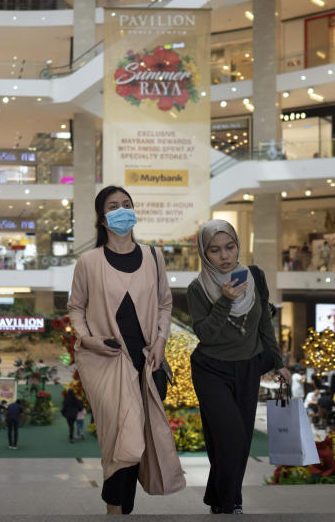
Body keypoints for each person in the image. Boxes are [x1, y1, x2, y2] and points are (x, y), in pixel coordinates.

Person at [67, 185, 185, 514]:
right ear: (103, 218)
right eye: (114, 205)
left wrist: (160, 342)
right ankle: (115, 510)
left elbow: (164, 304)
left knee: (138, 440)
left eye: (127, 204)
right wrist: (88, 338)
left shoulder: (153, 257)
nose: (122, 210)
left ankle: (120, 510)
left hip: (149, 362)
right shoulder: (88, 262)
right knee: (123, 437)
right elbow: (75, 308)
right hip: (106, 362)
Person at [188, 219, 290, 515]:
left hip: (247, 368)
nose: (224, 256)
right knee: (229, 434)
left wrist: (278, 362)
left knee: (240, 439)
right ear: (205, 254)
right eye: (215, 250)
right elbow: (206, 334)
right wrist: (224, 301)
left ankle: (226, 501)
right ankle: (228, 501)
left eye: (230, 247)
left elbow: (263, 323)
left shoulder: (255, 276)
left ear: (238, 246)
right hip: (211, 370)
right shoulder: (198, 288)